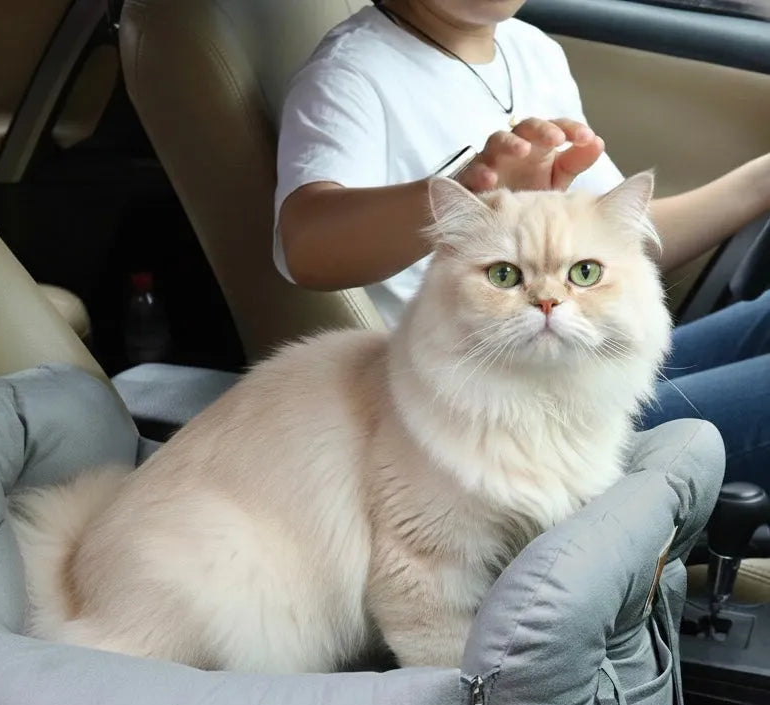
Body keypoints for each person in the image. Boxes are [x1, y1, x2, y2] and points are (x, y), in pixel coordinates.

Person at [273, 0, 770, 488]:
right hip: (481, 415)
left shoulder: (533, 50)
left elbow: (622, 239)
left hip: (580, 371)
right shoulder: (350, 74)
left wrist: (759, 182)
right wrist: (467, 192)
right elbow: (307, 244)